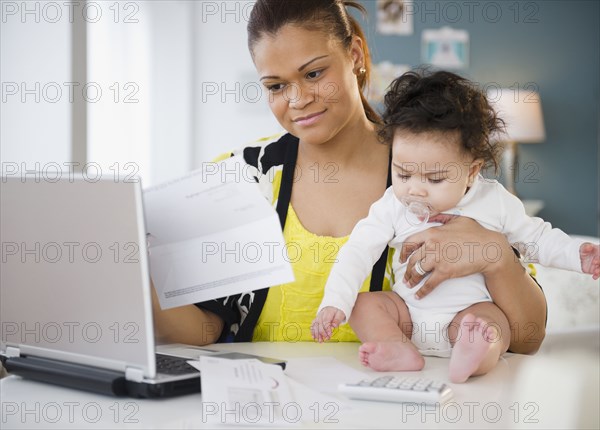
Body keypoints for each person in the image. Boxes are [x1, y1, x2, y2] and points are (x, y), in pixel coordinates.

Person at [151, 0, 548, 352]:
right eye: (276, 85)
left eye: (313, 73)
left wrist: (496, 257)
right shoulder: (243, 175)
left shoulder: (432, 173)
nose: (298, 99)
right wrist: (139, 285)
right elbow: (207, 329)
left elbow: (528, 337)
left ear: (355, 54)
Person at [311, 70, 600, 383]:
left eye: (435, 179)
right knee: (364, 304)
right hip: (408, 316)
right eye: (403, 173)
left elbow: (537, 239)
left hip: (468, 316)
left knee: (492, 325)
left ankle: (473, 356)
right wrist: (335, 302)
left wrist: (576, 255)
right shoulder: (392, 204)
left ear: (472, 170)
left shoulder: (494, 201)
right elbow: (357, 251)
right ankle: (397, 348)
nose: (415, 190)